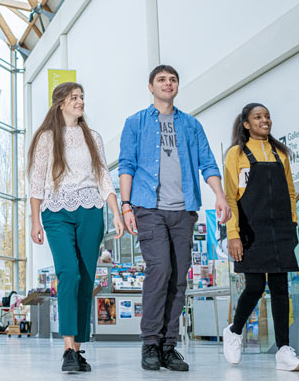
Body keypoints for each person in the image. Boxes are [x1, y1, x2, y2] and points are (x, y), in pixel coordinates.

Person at [118, 65, 231, 372]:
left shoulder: (191, 125)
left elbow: (207, 162)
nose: (168, 84)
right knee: (160, 270)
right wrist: (126, 205)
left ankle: (169, 346)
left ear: (177, 86)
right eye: (161, 80)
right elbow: (126, 164)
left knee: (179, 277)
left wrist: (219, 195)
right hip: (148, 207)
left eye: (172, 80)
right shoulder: (135, 123)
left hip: (183, 209)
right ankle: (150, 343)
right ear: (150, 87)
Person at [29, 82, 126, 373]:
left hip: (91, 211)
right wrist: (35, 220)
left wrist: (116, 212)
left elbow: (104, 177)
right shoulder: (47, 138)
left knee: (85, 277)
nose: (80, 101)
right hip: (55, 212)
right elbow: (36, 183)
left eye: (82, 97)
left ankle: (78, 350)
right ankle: (67, 348)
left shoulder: (92, 137)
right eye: (74, 98)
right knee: (68, 272)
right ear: (61, 104)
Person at [221, 103, 299, 371]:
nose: (265, 120)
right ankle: (234, 331)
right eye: (258, 117)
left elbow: (290, 193)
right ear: (246, 123)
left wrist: (292, 225)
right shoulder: (236, 154)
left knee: (281, 289)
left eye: (267, 116)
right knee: (255, 286)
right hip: (249, 230)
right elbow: (231, 199)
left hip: (280, 229)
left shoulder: (280, 153)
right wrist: (233, 235)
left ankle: (284, 350)